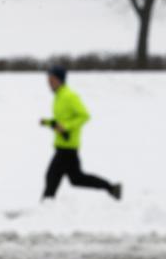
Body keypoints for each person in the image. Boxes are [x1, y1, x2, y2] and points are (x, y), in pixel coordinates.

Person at [40, 66, 121, 200]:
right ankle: (112, 188)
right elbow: (62, 120)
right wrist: (48, 122)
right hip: (63, 145)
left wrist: (66, 126)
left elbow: (84, 115)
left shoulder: (70, 96)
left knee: (52, 176)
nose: (49, 82)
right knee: (76, 179)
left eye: (52, 79)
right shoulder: (58, 96)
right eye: (48, 79)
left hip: (68, 145)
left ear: (60, 80)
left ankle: (46, 207)